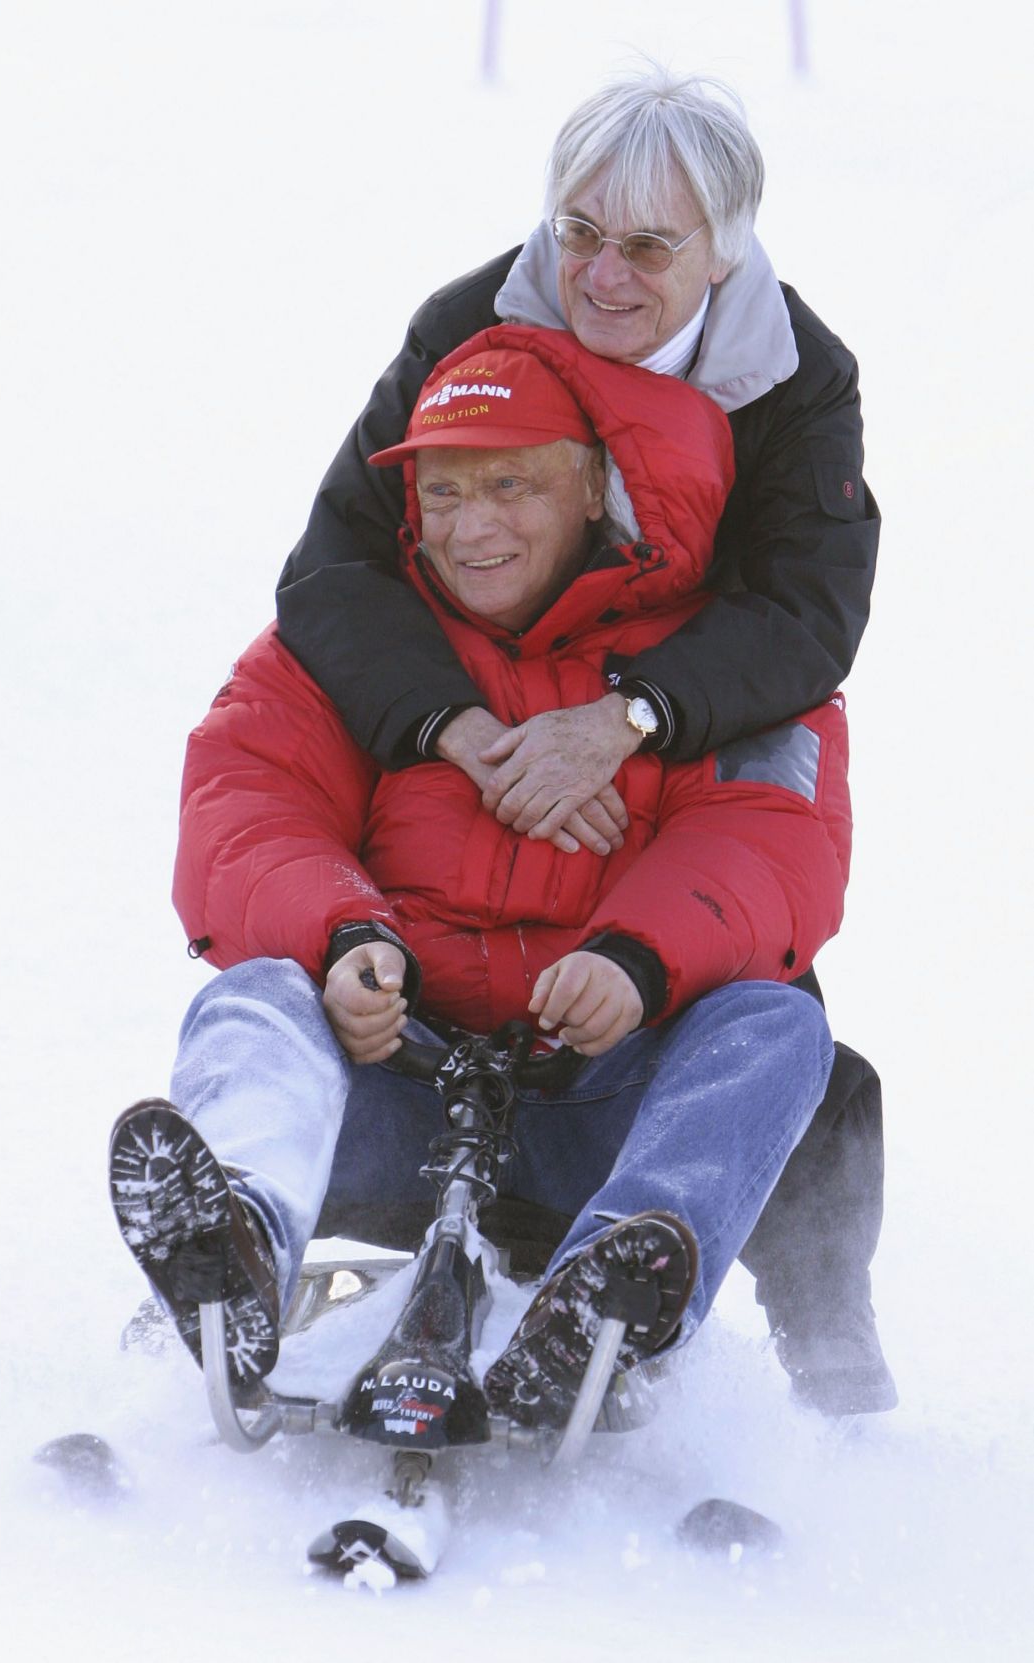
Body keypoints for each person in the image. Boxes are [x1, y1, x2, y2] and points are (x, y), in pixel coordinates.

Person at [274, 68, 894, 1415]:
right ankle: (301, 1285)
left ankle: (789, 1317)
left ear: (722, 249)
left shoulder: (793, 378)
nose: (601, 275)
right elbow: (335, 565)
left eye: (649, 245)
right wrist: (462, 724)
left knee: (773, 1017)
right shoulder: (469, 324)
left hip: (672, 739)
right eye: (578, 233)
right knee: (334, 1014)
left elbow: (805, 613)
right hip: (478, 757)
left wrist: (624, 718)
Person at [110, 334, 849, 1429]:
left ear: (595, 486)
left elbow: (772, 839)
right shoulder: (351, 641)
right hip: (391, 1077)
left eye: (512, 484)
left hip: (594, 1098)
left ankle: (605, 1299)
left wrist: (633, 961)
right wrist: (345, 941)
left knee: (775, 1028)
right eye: (443, 491)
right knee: (251, 1000)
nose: (470, 525)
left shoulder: (715, 657)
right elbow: (244, 805)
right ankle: (238, 1255)